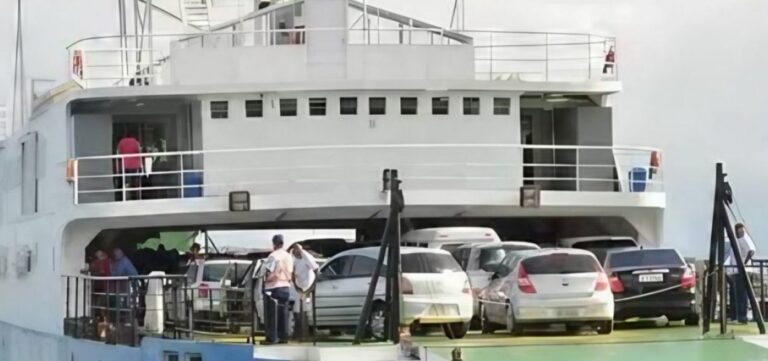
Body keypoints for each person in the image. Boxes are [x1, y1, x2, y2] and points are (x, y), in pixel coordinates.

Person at [262, 234, 294, 345]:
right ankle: (283, 337)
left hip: (273, 287)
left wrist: (265, 278)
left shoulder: (273, 256)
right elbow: (290, 271)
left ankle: (272, 337)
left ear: (274, 244)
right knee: (283, 313)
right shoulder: (288, 256)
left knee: (272, 314)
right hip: (285, 286)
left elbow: (268, 271)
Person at [725, 223, 757, 324]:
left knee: (742, 294)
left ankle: (742, 317)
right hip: (734, 271)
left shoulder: (744, 238)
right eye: (739, 231)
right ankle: (735, 316)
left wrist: (744, 263)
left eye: (742, 231)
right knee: (735, 294)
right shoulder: (735, 240)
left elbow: (751, 251)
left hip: (743, 270)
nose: (741, 233)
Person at [289, 243, 319, 341]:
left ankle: (304, 334)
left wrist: (311, 287)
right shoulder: (293, 257)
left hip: (307, 287)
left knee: (305, 311)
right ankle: (298, 333)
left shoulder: (306, 257)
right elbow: (292, 270)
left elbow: (316, 269)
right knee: (297, 310)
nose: (296, 252)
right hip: (298, 287)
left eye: (297, 250)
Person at [115, 132, 143, 200]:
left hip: (125, 165)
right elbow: (139, 152)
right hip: (135, 165)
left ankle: (127, 198)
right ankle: (137, 197)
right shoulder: (136, 142)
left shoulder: (121, 142)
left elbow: (118, 153)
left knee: (126, 182)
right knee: (136, 183)